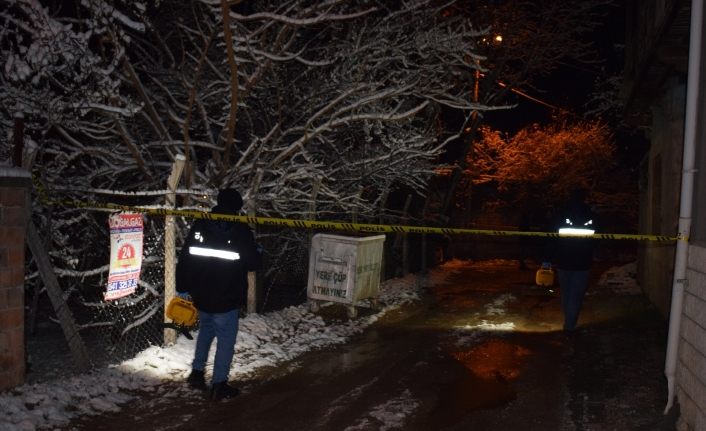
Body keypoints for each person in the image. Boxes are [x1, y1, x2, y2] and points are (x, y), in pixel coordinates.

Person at [176, 188, 261, 400]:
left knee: (206, 331)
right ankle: (219, 384)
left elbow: (185, 258)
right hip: (227, 295)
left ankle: (197, 373)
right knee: (225, 340)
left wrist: (183, 287)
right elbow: (252, 264)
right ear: (238, 207)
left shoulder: (201, 225)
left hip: (202, 294)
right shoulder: (241, 231)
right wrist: (258, 252)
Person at [551, 188, 597, 333]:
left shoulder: (561, 214)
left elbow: (552, 237)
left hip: (564, 261)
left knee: (566, 293)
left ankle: (568, 321)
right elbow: (598, 238)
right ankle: (570, 324)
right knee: (576, 295)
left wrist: (550, 257)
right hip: (583, 262)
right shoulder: (591, 214)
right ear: (584, 198)